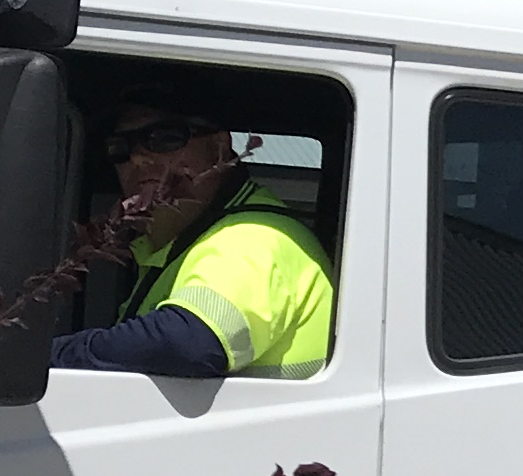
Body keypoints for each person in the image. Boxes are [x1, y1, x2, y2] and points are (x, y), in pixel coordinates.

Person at [47, 96, 335, 378]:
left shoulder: (253, 235)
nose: (137, 157)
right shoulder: (175, 244)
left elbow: (188, 342)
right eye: (120, 147)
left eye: (163, 138)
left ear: (219, 147)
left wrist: (49, 357)